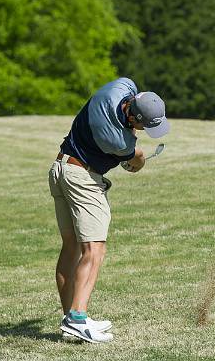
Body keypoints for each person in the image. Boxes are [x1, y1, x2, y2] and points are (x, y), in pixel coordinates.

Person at [48, 77, 169, 343]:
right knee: (95, 249)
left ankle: (71, 319)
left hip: (60, 168)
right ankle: (78, 318)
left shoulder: (121, 87)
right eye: (144, 125)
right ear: (134, 117)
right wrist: (138, 163)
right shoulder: (116, 139)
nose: (145, 129)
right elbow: (134, 156)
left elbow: (129, 130)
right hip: (82, 178)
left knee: (71, 247)